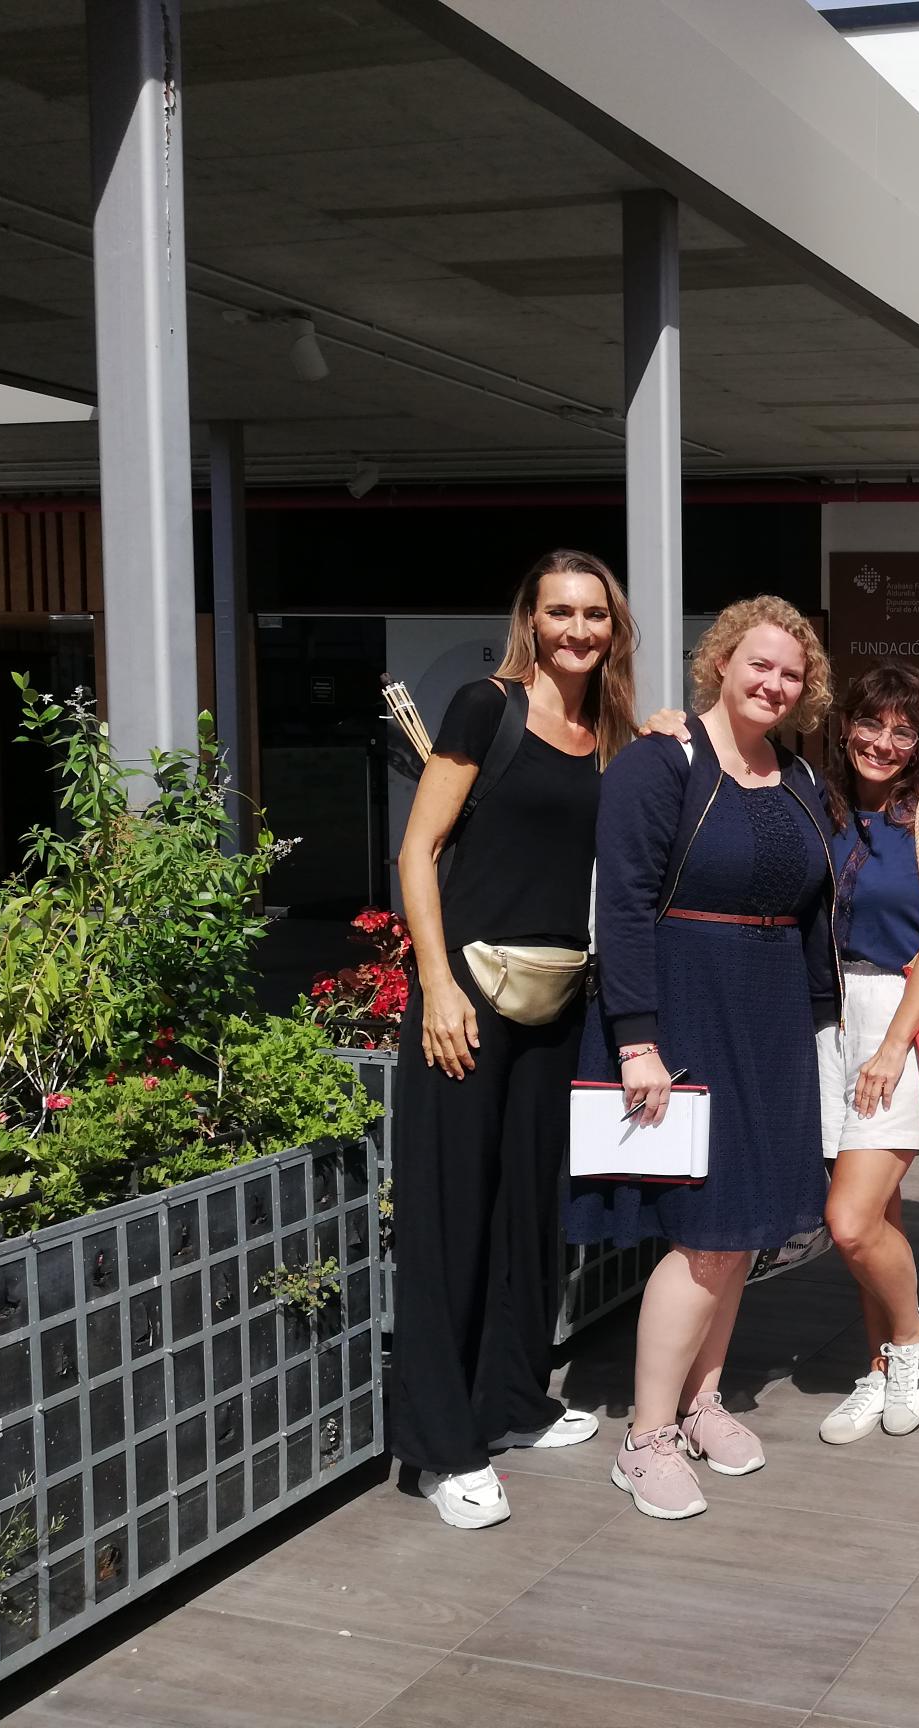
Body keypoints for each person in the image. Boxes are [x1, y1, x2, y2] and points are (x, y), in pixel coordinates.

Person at [570, 595, 837, 1518]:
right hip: (686, 1010)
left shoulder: (798, 774)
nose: (774, 683)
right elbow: (623, 904)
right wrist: (637, 1037)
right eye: (759, 663)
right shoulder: (661, 761)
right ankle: (644, 1438)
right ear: (721, 661)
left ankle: (701, 1400)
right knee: (707, 1232)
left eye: (792, 673)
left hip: (771, 1019)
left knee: (745, 1230)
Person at [388, 549, 635, 1529]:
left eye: (594, 615)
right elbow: (418, 850)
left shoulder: (604, 729)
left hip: (553, 995)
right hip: (468, 996)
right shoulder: (484, 706)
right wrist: (436, 984)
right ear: (531, 618)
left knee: (528, 1209)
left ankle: (512, 1401)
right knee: (450, 1217)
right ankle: (443, 1448)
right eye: (560, 612)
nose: (577, 630)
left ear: (613, 628)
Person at [812, 666, 919, 1444]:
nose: (883, 742)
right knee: (878, 1213)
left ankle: (912, 1335)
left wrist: (892, 1046)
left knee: (848, 1221)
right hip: (827, 1017)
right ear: (845, 725)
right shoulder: (823, 804)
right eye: (871, 724)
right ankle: (878, 1369)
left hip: (900, 1015)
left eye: (902, 731)